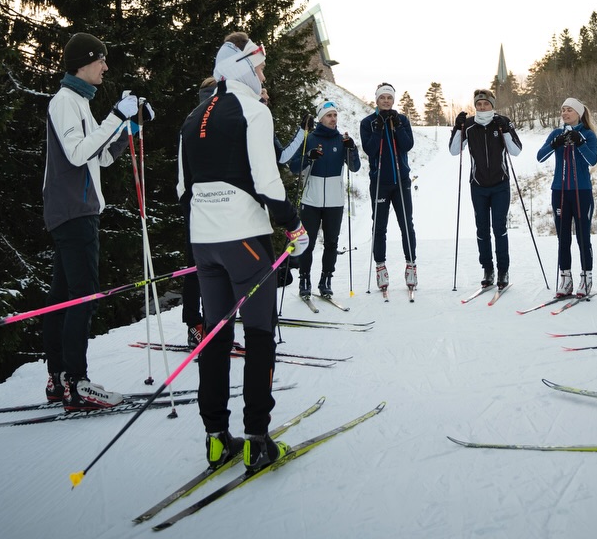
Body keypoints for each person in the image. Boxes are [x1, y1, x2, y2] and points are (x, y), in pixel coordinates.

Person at [177, 31, 308, 475]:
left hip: (204, 241)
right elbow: (269, 183)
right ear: (244, 66)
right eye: (260, 66)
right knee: (258, 336)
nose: (263, 74)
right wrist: (293, 224)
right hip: (245, 241)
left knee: (215, 337)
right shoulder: (253, 110)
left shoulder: (193, 115)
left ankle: (216, 440)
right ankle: (256, 441)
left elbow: (183, 188)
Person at [42, 32, 149, 410]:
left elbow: (98, 158)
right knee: (82, 298)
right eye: (101, 60)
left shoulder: (79, 102)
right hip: (75, 211)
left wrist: (128, 129)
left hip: (73, 210)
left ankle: (59, 380)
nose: (106, 66)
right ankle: (76, 383)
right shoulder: (66, 101)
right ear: (83, 62)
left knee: (62, 299)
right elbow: (75, 154)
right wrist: (116, 115)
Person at [280, 98, 361, 299]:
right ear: (320, 119)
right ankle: (304, 280)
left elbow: (355, 167)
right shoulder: (310, 138)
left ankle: (326, 280)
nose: (333, 119)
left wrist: (352, 149)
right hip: (311, 200)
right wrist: (309, 157)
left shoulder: (341, 140)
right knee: (308, 242)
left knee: (332, 242)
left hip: (335, 201)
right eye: (329, 116)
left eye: (335, 115)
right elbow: (293, 166)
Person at [448, 88, 523, 288]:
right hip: (478, 185)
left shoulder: (502, 122)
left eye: (486, 104)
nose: (482, 107)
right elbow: (454, 151)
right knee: (482, 229)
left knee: (499, 228)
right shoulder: (469, 125)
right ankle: (488, 269)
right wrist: (457, 128)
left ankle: (503, 271)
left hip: (500, 185)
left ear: (492, 105)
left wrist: (505, 129)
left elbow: (516, 150)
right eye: (479, 104)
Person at [535, 98, 597, 297]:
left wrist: (579, 142)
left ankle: (586, 278)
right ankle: (566, 279)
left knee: (582, 236)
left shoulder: (588, 134)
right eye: (562, 110)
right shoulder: (556, 133)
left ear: (578, 113)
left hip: (582, 192)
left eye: (569, 110)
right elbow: (540, 156)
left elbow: (593, 160)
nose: (564, 113)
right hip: (560, 192)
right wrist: (556, 144)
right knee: (563, 238)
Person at [359, 83, 417, 295]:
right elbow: (370, 150)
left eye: (389, 98)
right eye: (382, 98)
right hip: (380, 182)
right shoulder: (368, 122)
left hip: (401, 181)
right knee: (380, 227)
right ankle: (380, 267)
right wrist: (378, 129)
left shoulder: (401, 120)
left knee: (406, 224)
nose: (386, 101)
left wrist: (396, 127)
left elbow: (407, 145)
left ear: (393, 100)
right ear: (377, 100)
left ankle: (411, 265)